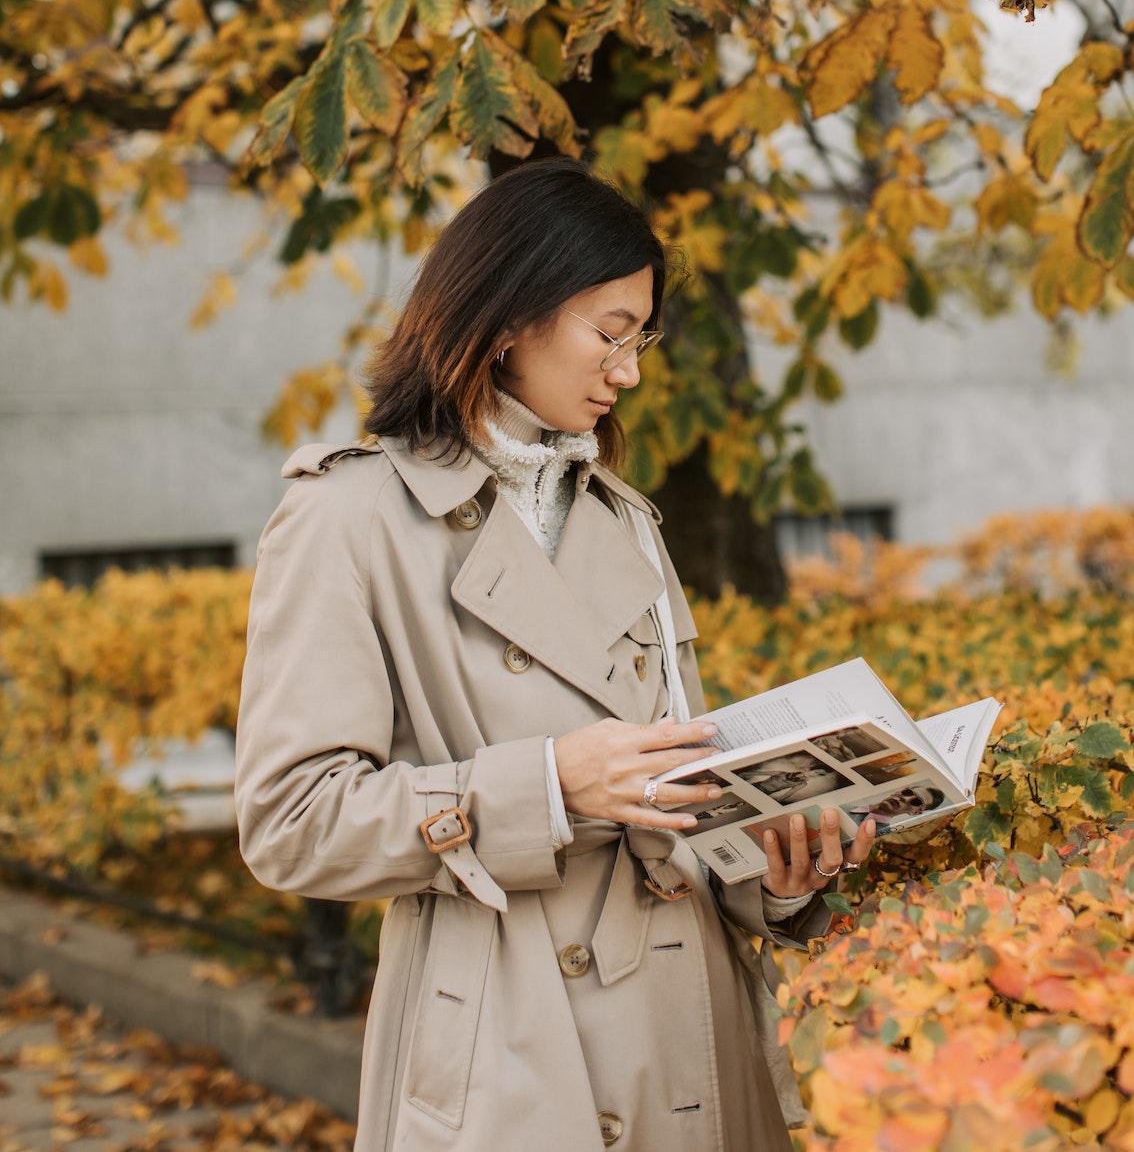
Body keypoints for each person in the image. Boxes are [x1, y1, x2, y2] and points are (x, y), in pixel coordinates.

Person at [233, 156, 878, 1152]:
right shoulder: (346, 516)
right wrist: (545, 789)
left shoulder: (623, 520)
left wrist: (778, 876)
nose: (629, 371)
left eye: (642, 338)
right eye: (611, 335)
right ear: (505, 320)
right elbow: (291, 821)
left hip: (692, 1033)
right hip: (512, 1046)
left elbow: (680, 794)